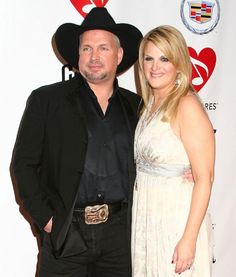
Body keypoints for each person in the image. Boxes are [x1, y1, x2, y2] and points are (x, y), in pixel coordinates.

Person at [10, 7, 143, 277]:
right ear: (78, 55)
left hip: (120, 236)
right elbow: (22, 165)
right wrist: (48, 221)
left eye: (103, 48)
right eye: (87, 49)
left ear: (118, 55)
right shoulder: (46, 101)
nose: (94, 57)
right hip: (66, 232)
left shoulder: (137, 106)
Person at [131, 25, 215, 277]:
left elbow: (205, 178)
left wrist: (188, 239)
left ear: (178, 63)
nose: (155, 67)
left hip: (175, 220)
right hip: (148, 218)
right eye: (149, 58)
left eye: (164, 58)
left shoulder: (186, 104)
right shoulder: (150, 106)